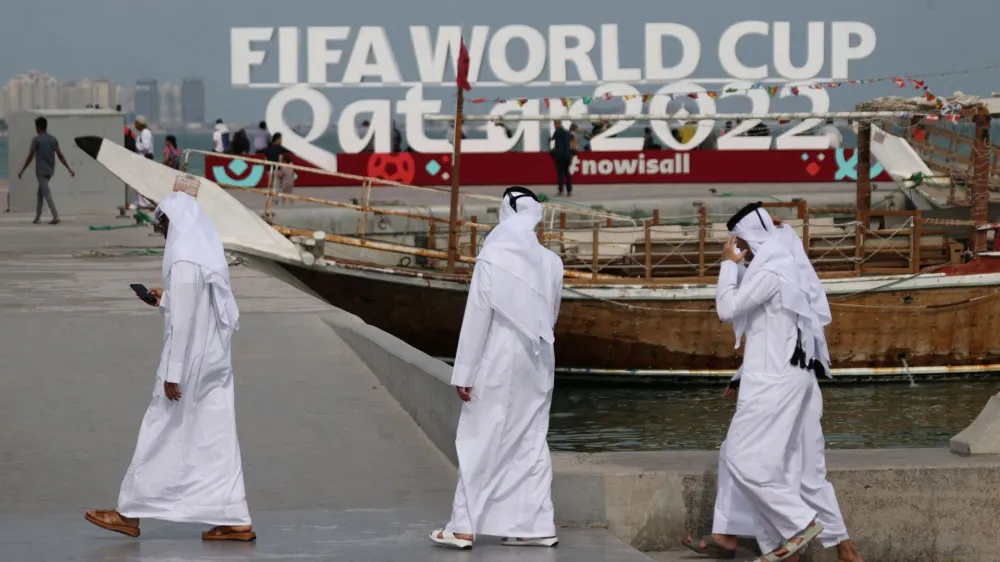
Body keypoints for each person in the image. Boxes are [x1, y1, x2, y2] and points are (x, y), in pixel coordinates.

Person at [85, 191, 254, 542]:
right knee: (216, 437)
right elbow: (197, 307)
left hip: (190, 363)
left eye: (163, 227)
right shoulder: (202, 253)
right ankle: (234, 516)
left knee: (159, 429)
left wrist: (173, 373)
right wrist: (165, 300)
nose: (162, 233)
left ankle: (129, 513)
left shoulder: (184, 259)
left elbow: (185, 321)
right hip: (213, 360)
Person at [431, 187, 563, 551]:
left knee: (478, 438)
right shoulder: (552, 262)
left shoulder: (491, 256)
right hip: (540, 359)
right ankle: (536, 525)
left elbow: (478, 317)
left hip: (498, 358)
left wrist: (464, 373)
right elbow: (551, 315)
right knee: (532, 439)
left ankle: (462, 526)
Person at [710, 202, 832, 562]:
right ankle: (779, 547)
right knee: (758, 462)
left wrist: (726, 265)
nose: (739, 252)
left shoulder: (772, 272)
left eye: (740, 244)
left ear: (750, 240)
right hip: (778, 376)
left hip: (773, 381)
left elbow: (727, 310)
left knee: (741, 458)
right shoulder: (783, 263)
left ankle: (799, 522)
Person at [17, 116, 75, 225]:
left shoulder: (36, 140)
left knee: (46, 193)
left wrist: (22, 170)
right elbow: (60, 155)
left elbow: (30, 156)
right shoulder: (53, 139)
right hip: (50, 171)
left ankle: (55, 216)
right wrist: (69, 168)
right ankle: (37, 217)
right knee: (40, 193)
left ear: (38, 127)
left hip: (41, 171)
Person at [550, 122, 574, 197]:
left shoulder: (557, 132)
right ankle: (569, 191)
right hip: (567, 155)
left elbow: (552, 139)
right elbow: (573, 138)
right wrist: (573, 147)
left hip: (560, 155)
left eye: (555, 124)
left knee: (560, 173)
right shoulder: (567, 132)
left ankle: (561, 191)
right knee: (567, 173)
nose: (554, 126)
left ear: (558, 124)